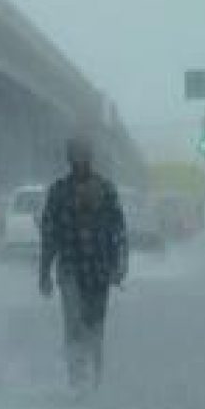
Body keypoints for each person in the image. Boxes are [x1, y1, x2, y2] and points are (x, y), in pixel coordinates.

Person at [38, 135, 128, 392]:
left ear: (90, 157)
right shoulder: (58, 192)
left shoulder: (107, 190)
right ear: (69, 158)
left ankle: (97, 377)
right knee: (73, 322)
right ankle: (76, 378)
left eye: (83, 154)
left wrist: (120, 265)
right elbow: (49, 234)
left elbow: (119, 232)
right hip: (70, 269)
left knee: (95, 324)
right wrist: (44, 272)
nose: (79, 160)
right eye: (75, 155)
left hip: (99, 271)